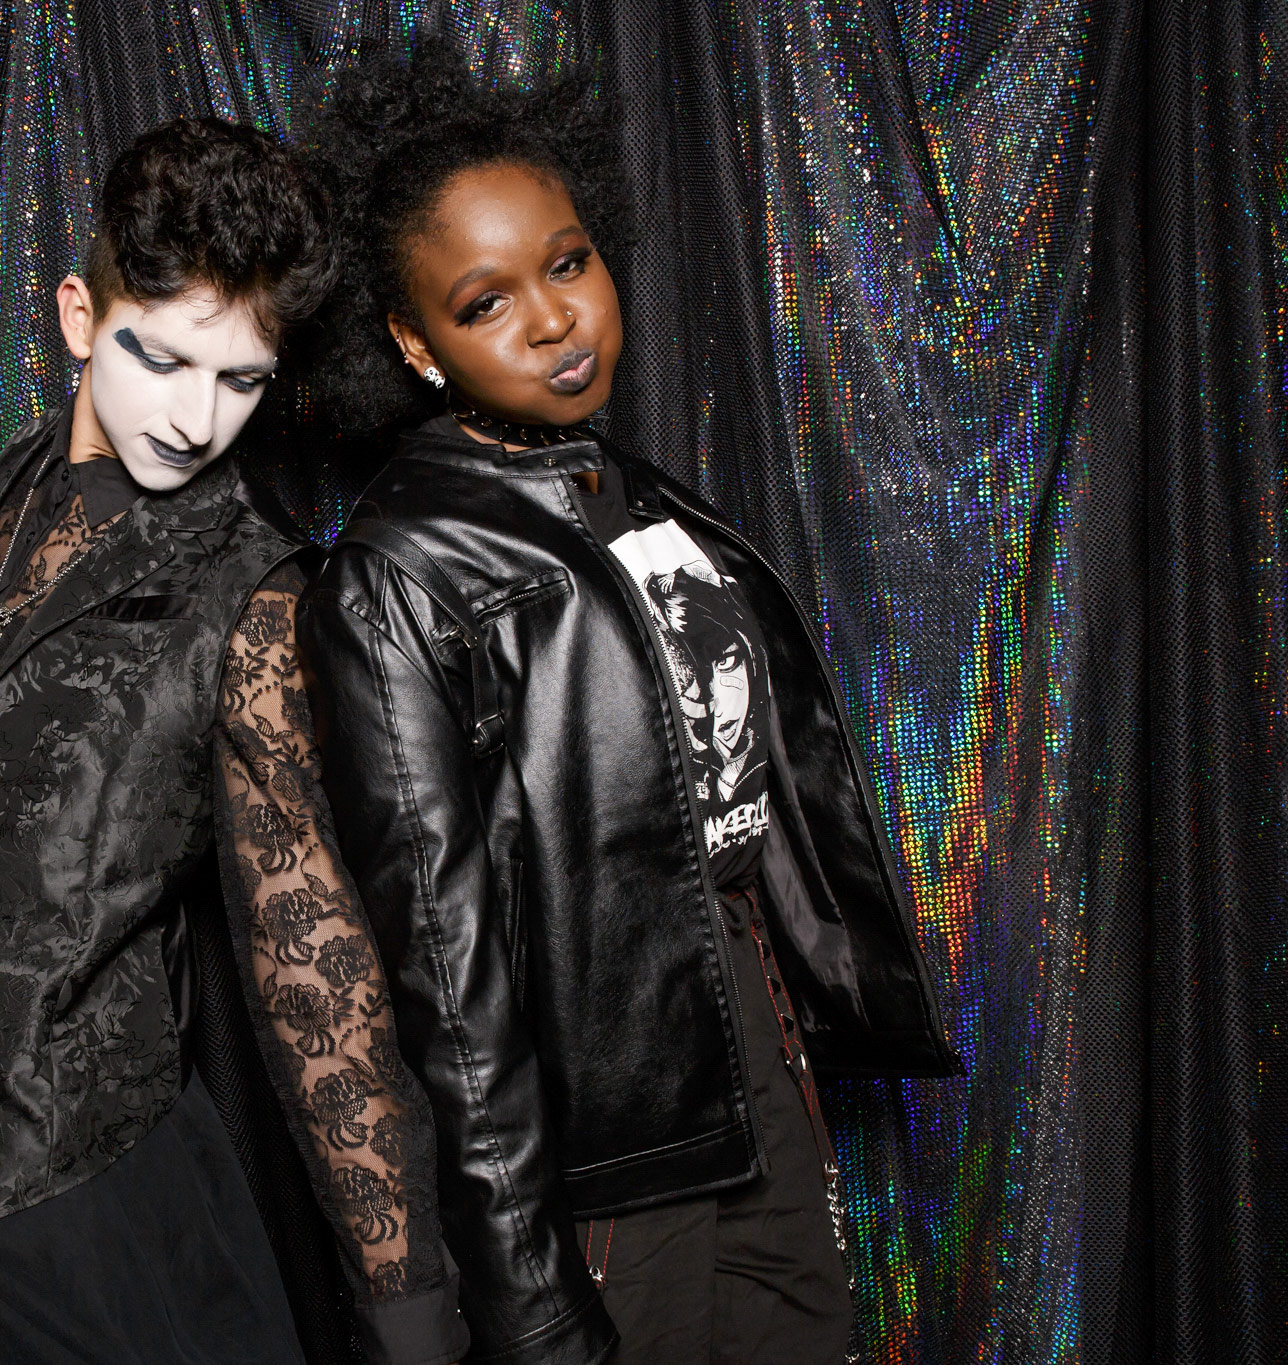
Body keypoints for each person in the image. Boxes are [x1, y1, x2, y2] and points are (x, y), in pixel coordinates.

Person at [0, 117, 467, 1365]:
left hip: (78, 1212)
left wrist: (410, 1309)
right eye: (159, 357)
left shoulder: (253, 599)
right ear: (78, 317)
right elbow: (58, 704)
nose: (195, 417)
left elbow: (313, 966)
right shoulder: (25, 484)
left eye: (239, 380)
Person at [293, 40, 958, 1365]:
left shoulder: (637, 497)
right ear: (414, 344)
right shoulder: (397, 575)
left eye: (568, 263)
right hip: (598, 1144)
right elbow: (445, 975)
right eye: (485, 302)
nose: (554, 320)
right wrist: (525, 1286)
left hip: (750, 1067)